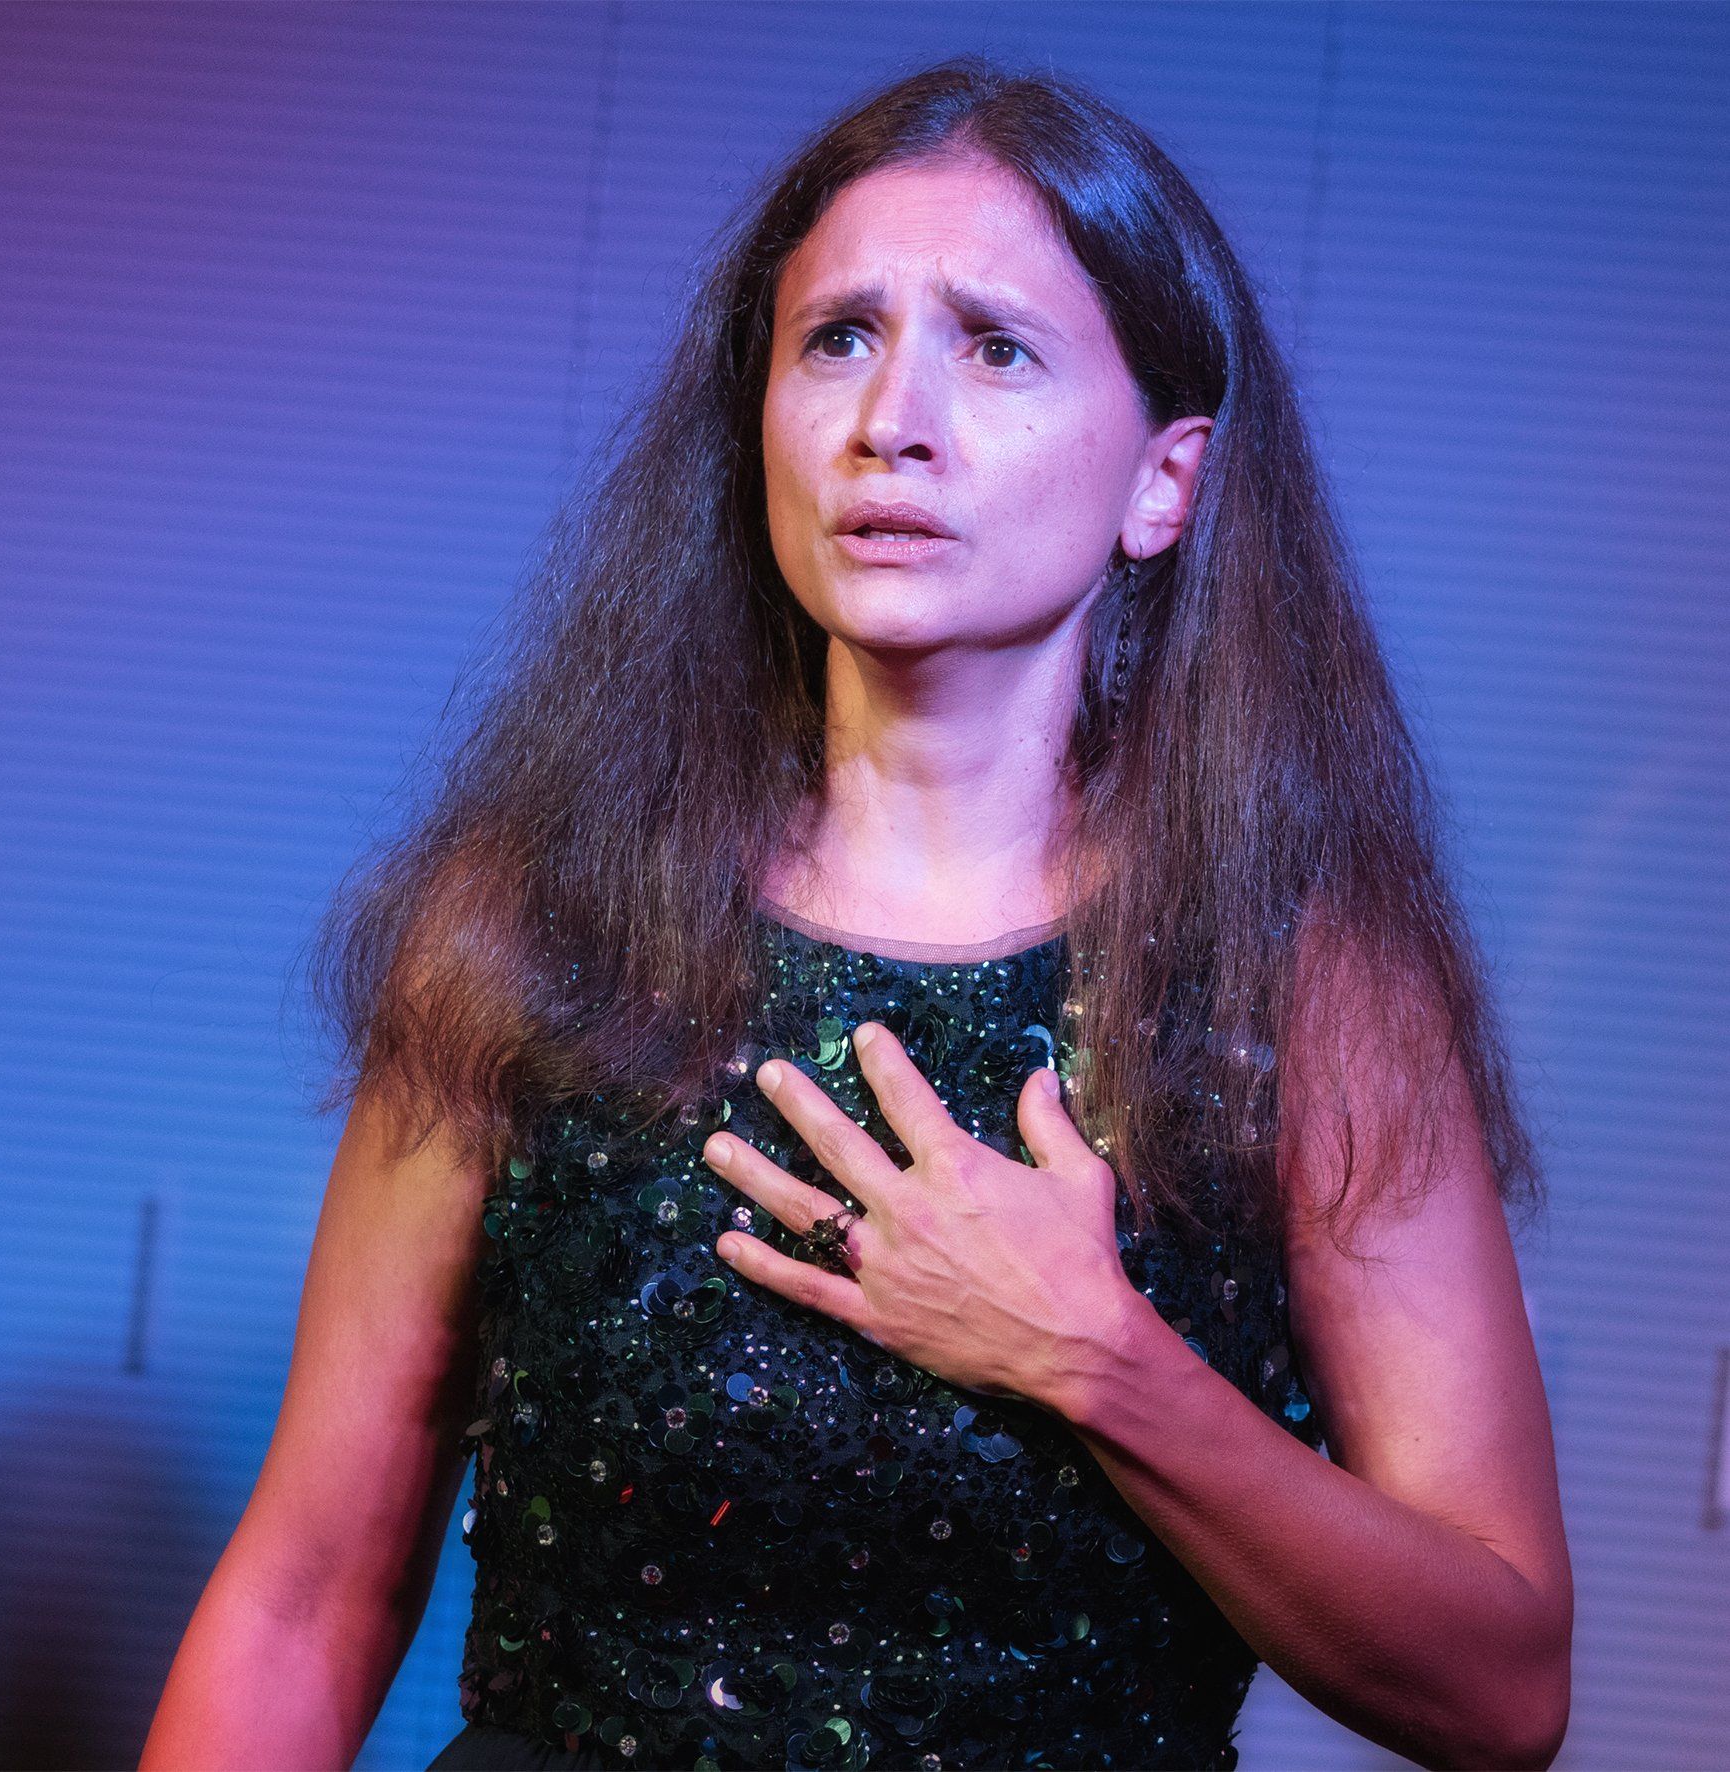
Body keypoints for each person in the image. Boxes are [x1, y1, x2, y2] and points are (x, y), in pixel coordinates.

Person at [140, 55, 1572, 1772]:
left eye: (996, 347)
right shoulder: (535, 932)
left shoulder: (1298, 992)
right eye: (838, 338)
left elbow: (1503, 1693)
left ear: (1164, 482)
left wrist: (1099, 1359)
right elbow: (303, 1596)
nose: (894, 417)